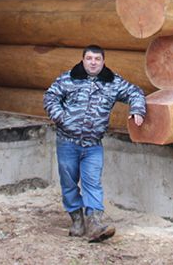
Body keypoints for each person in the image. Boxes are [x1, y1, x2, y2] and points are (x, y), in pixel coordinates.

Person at [43, 45, 146, 242]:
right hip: (67, 142)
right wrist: (61, 117)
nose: (93, 62)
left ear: (103, 62)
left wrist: (137, 110)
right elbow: (50, 97)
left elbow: (135, 92)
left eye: (97, 59)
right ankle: (77, 220)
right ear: (83, 60)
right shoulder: (68, 78)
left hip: (93, 145)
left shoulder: (113, 82)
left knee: (93, 183)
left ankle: (95, 223)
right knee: (69, 183)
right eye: (89, 58)